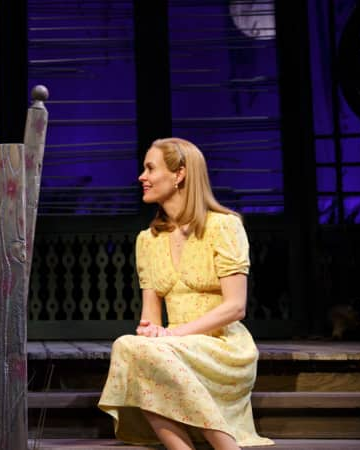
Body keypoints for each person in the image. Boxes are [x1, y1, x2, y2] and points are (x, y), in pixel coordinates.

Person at [98, 137, 274, 449]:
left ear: (179, 174)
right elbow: (150, 319)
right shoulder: (148, 240)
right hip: (174, 348)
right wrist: (152, 332)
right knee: (129, 345)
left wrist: (172, 335)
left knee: (137, 350)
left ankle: (226, 446)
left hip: (222, 348)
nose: (142, 176)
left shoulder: (225, 226)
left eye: (150, 168)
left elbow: (235, 307)